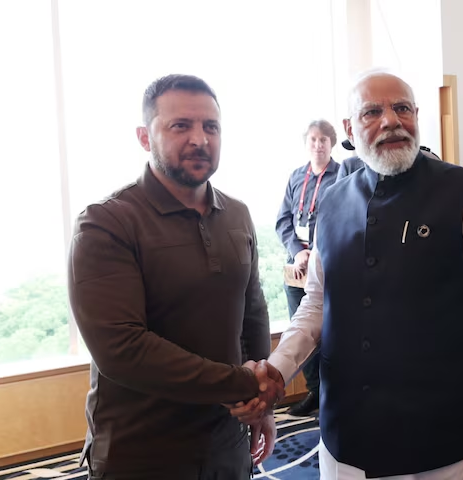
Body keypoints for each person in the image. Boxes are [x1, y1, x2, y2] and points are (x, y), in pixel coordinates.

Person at [232, 71, 463, 479]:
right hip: (346, 439)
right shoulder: (332, 202)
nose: (391, 120)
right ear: (349, 129)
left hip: (443, 442)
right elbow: (317, 305)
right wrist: (278, 369)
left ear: (417, 116)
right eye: (372, 112)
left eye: (402, 108)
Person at [67, 74, 284, 480]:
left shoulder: (237, 214)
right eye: (180, 126)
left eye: (211, 127)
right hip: (143, 451)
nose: (200, 139)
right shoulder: (106, 222)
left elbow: (252, 311)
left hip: (228, 442)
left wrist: (262, 405)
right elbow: (122, 349)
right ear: (144, 137)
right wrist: (241, 384)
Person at [275, 119, 340, 416]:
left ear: (332, 143)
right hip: (297, 267)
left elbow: (340, 219)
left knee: (327, 331)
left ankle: (332, 393)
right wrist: (297, 252)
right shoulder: (296, 177)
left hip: (325, 265)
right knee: (299, 328)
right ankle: (315, 391)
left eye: (323, 139)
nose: (318, 144)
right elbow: (283, 221)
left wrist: (314, 253)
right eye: (313, 139)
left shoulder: (342, 176)